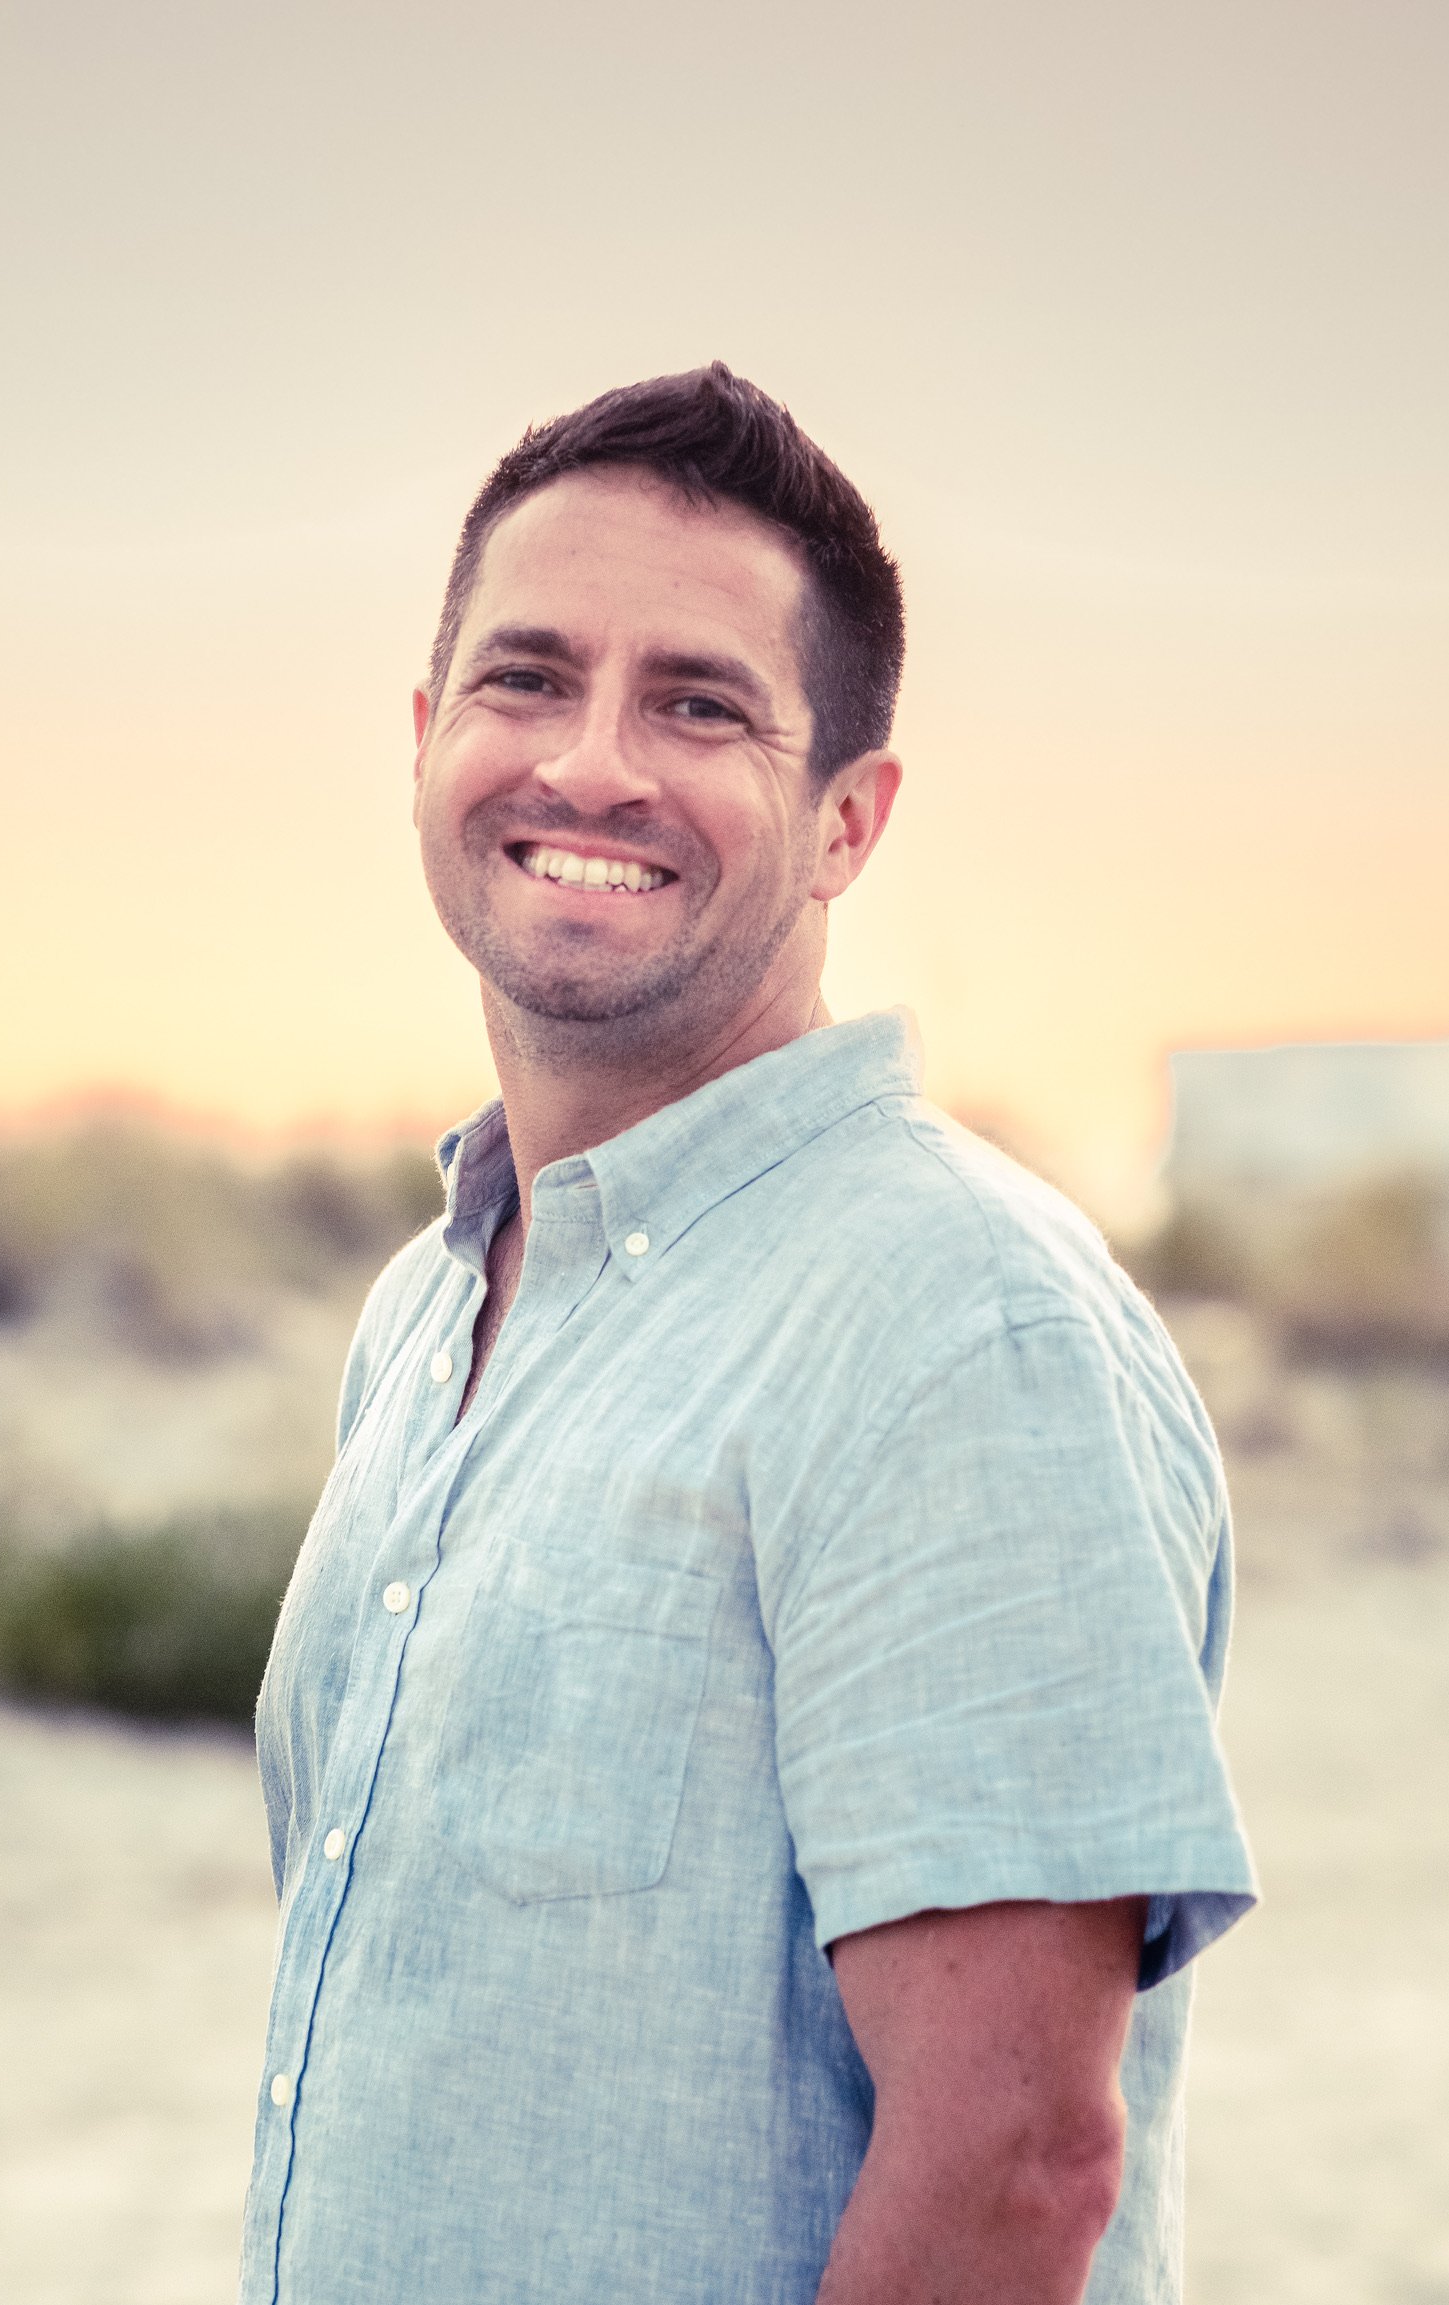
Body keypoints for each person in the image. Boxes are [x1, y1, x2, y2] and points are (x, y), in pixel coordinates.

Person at [240, 363, 1255, 2305]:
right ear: (428, 734)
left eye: (698, 704)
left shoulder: (948, 1321)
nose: (592, 766)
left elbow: (1018, 2164)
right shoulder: (431, 1300)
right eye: (526, 678)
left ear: (846, 819)